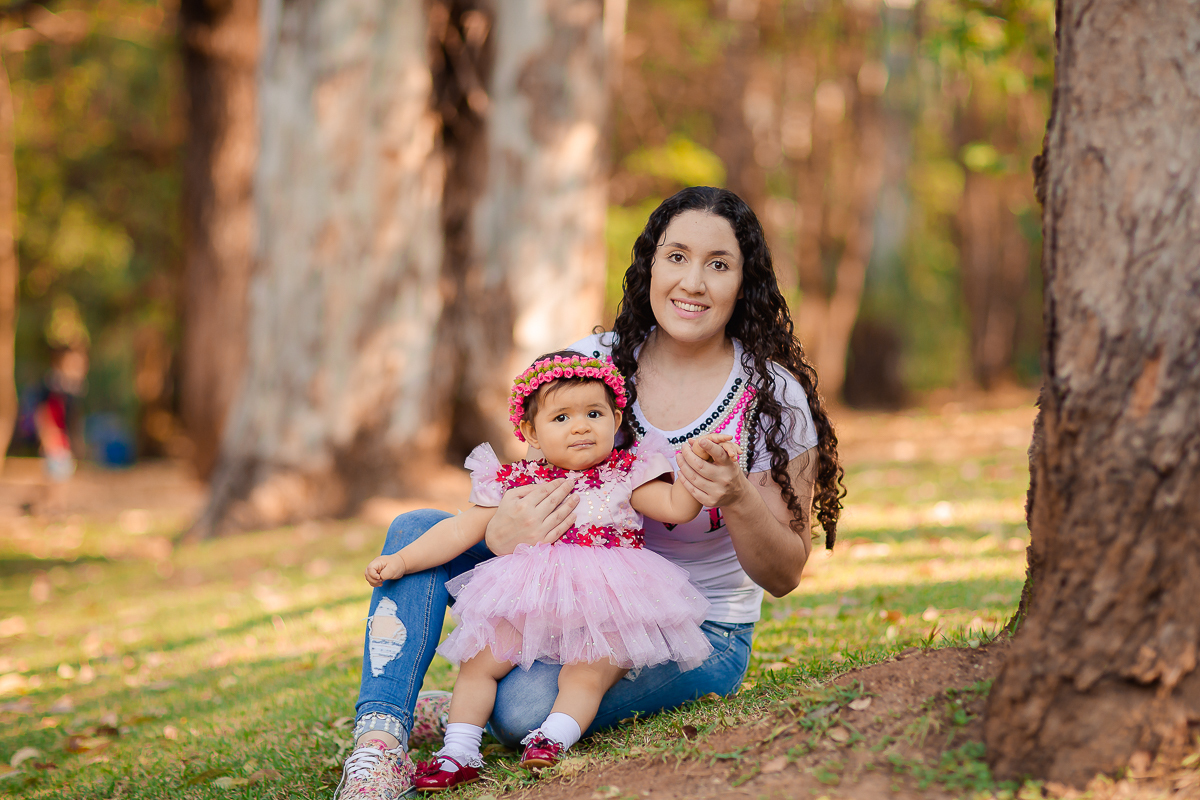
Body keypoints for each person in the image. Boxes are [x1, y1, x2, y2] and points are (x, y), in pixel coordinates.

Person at [335, 186, 844, 800]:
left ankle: (469, 705)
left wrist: (736, 496)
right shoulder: (593, 362)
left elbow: (785, 573)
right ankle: (380, 742)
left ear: (744, 282)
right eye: (677, 256)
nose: (694, 283)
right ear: (650, 264)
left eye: (718, 264)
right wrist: (503, 531)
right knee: (416, 529)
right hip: (562, 583)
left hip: (693, 625)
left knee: (524, 713)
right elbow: (525, 482)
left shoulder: (771, 397)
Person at [360, 351, 739, 792]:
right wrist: (403, 560)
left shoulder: (626, 473)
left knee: (587, 670)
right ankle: (458, 751)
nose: (580, 426)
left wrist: (704, 477)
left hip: (608, 601)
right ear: (529, 432)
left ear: (616, 421)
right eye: (561, 418)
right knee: (480, 663)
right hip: (532, 598)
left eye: (593, 414)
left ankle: (552, 737)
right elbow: (460, 530)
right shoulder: (516, 481)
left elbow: (675, 507)